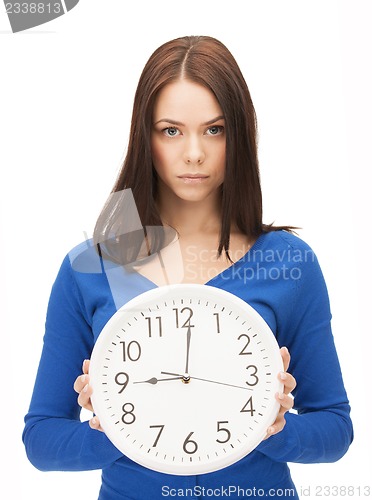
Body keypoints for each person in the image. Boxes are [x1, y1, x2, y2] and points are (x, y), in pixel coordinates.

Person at [22, 36, 353, 499]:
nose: (194, 152)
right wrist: (113, 427)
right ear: (146, 137)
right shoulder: (90, 269)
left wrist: (273, 427)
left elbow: (336, 430)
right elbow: (41, 439)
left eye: (214, 129)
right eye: (171, 130)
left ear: (238, 135)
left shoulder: (288, 261)